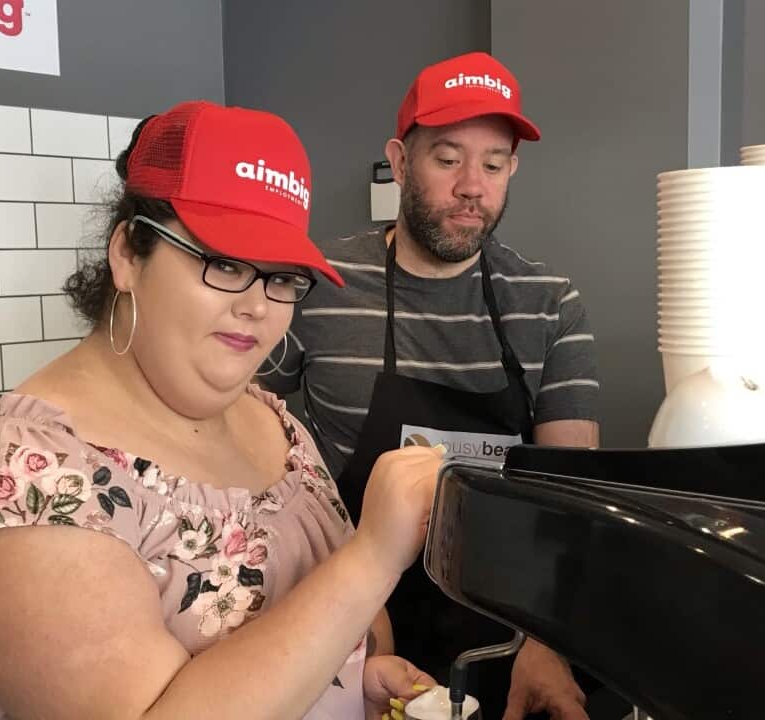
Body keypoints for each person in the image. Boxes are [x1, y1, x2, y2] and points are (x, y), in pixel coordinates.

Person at [0, 100, 445, 720]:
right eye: (225, 264)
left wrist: (351, 682)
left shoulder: (276, 427)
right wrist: (373, 556)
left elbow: (338, 640)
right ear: (128, 254)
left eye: (282, 277)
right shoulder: (22, 480)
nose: (259, 306)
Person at [261, 53, 599, 720]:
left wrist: (545, 643)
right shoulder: (316, 288)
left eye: (494, 164)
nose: (473, 185)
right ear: (401, 159)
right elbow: (233, 428)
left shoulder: (550, 303)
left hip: (508, 637)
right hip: (347, 629)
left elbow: (569, 500)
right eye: (447, 159)